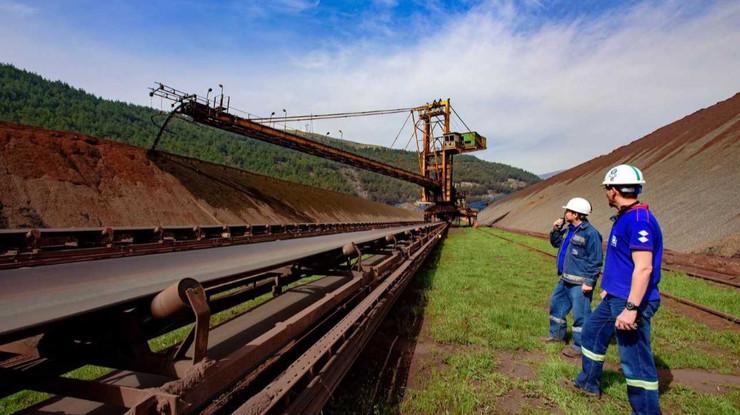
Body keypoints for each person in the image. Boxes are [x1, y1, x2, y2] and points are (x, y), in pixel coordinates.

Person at [574, 164, 663, 415]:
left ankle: (645, 411)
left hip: (629, 302)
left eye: (606, 189)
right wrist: (610, 289)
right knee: (592, 333)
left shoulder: (639, 221)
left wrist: (631, 308)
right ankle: (588, 382)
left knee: (635, 362)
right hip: (616, 296)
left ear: (614, 191)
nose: (606, 193)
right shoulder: (627, 217)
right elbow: (624, 261)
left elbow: (643, 268)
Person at [544, 197, 603, 358]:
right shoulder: (569, 230)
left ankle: (580, 347)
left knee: (581, 315)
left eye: (568, 211)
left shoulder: (591, 234)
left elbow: (596, 260)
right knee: (556, 306)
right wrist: (556, 229)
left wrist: (589, 282)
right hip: (565, 279)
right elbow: (556, 243)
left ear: (577, 214)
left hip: (580, 283)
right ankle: (556, 336)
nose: (565, 213)